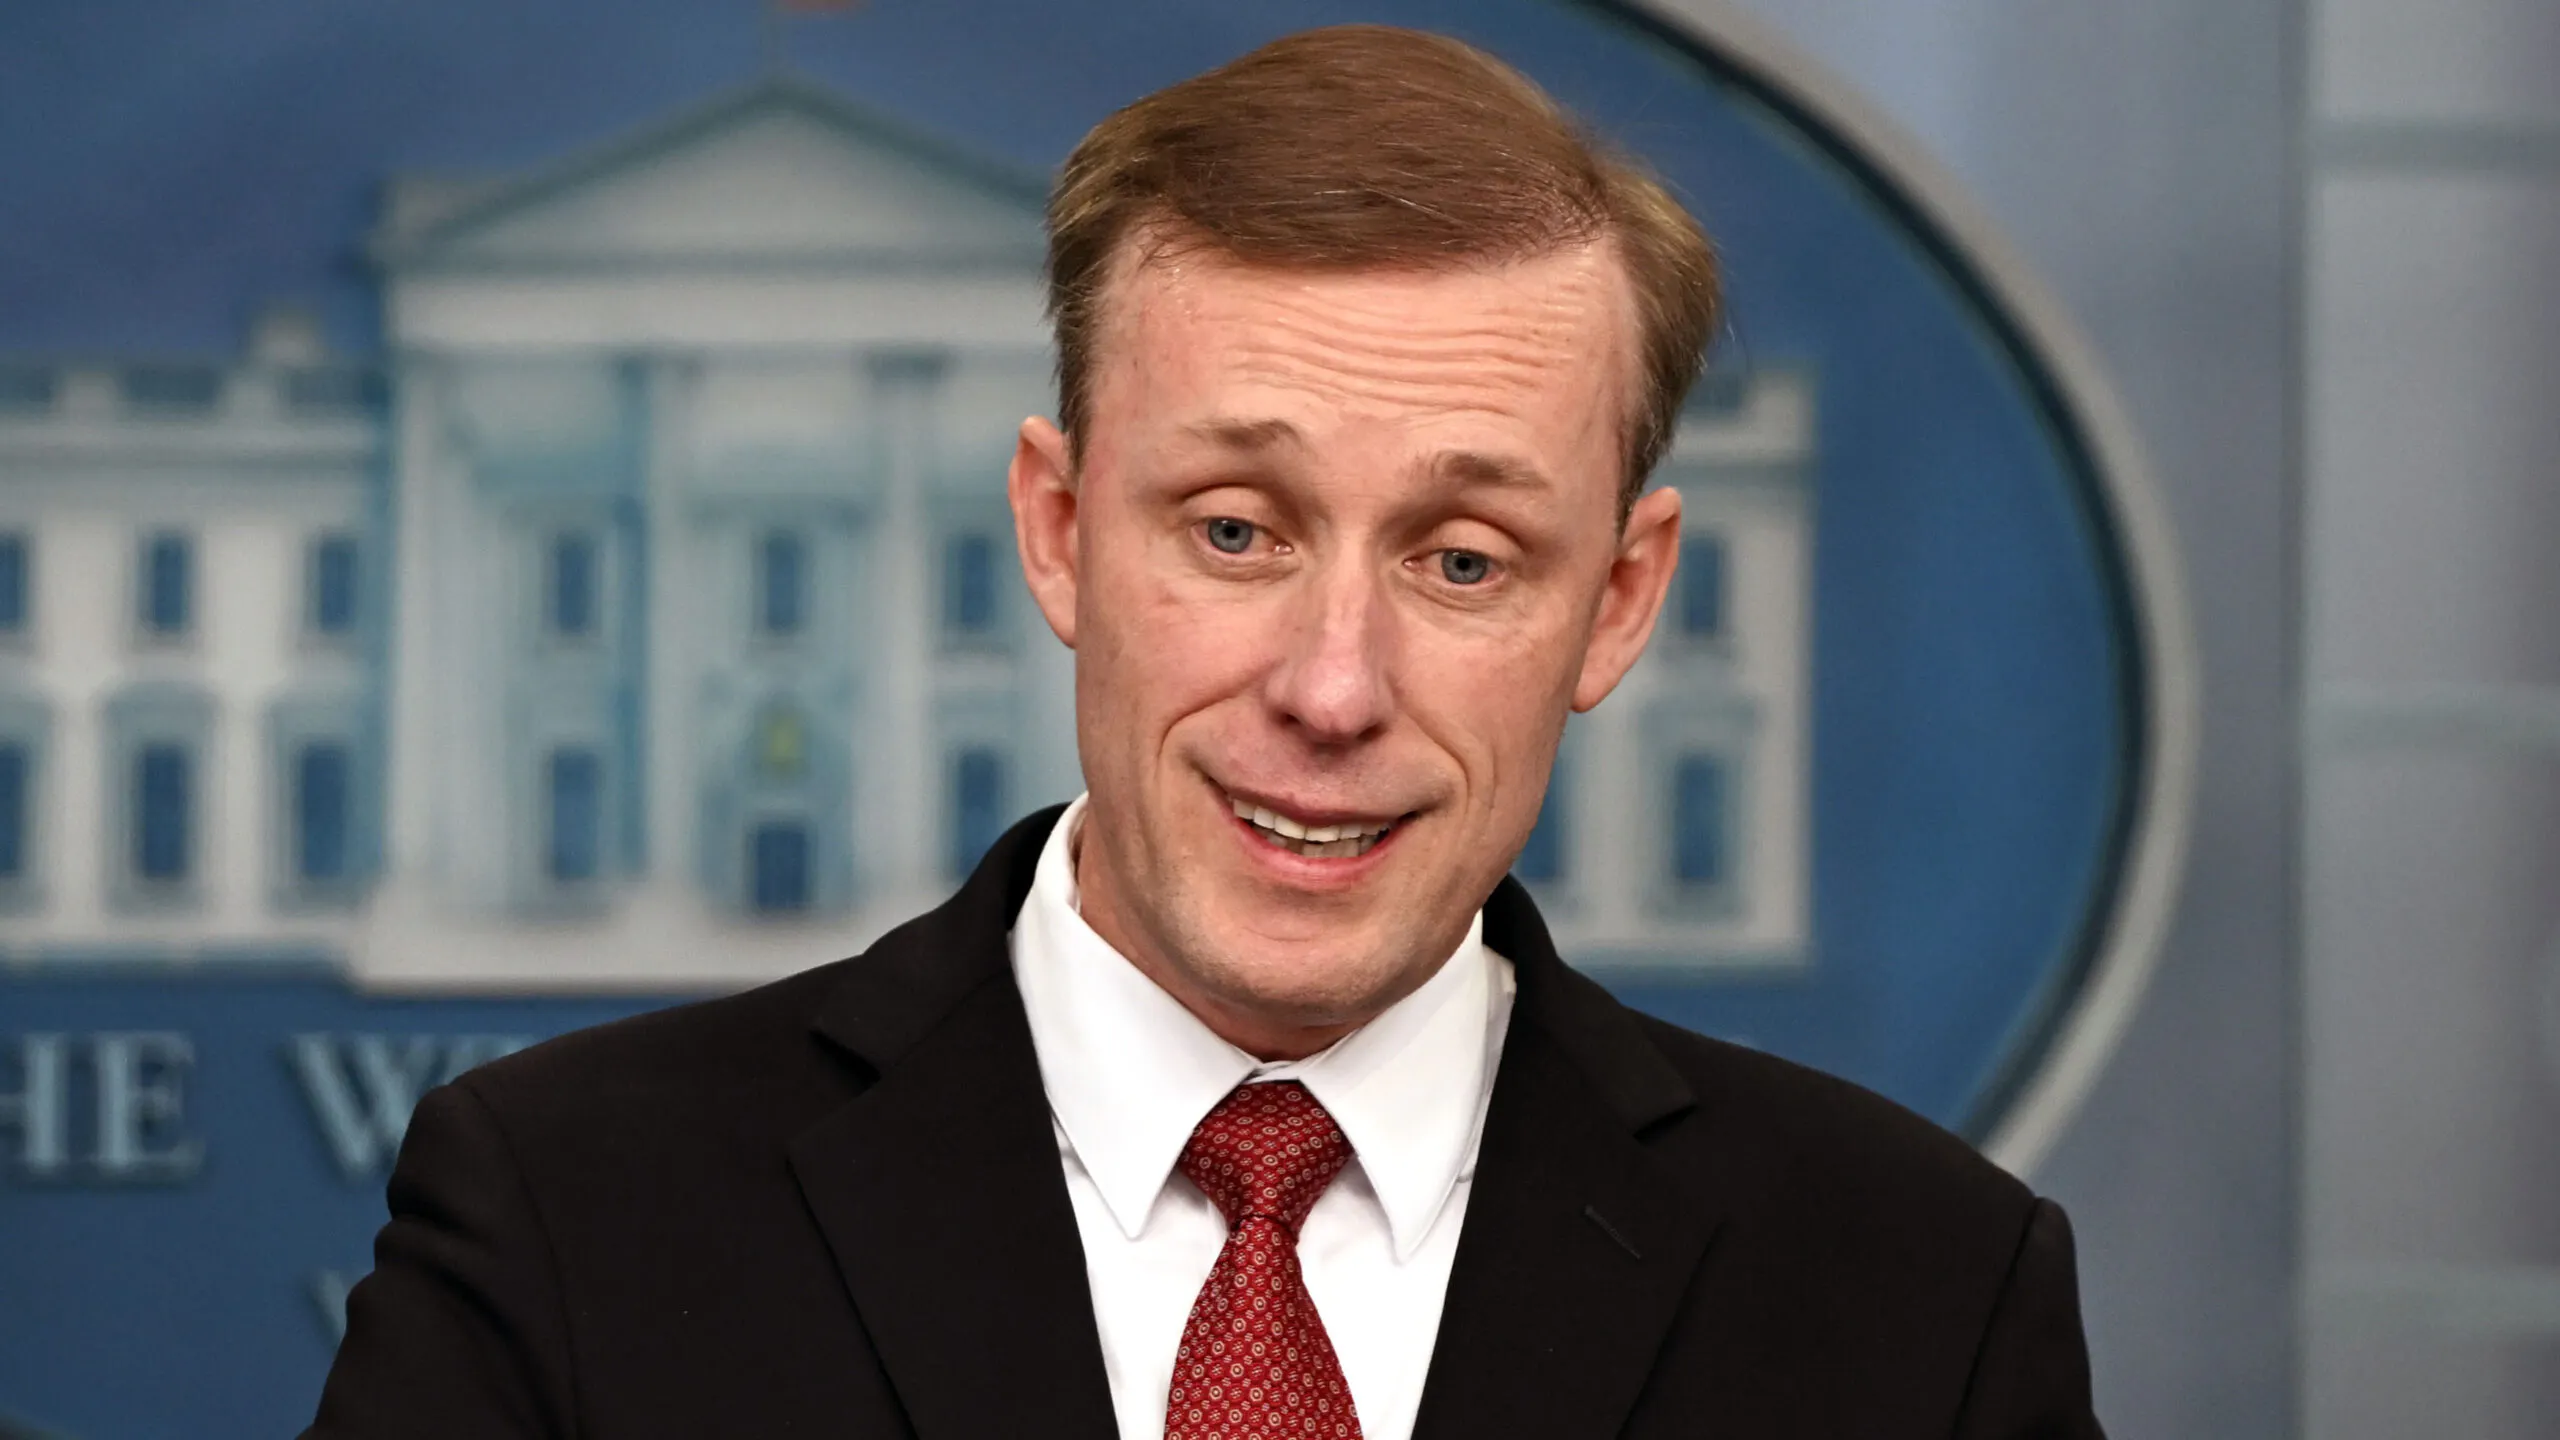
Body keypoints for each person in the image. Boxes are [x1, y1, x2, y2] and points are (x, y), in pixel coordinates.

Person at [305, 24, 2102, 1440]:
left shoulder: (1921, 1302)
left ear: (1620, 603)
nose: (1332, 687)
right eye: (1237, 532)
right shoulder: (571, 1222)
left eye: (1463, 560)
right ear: (1058, 529)